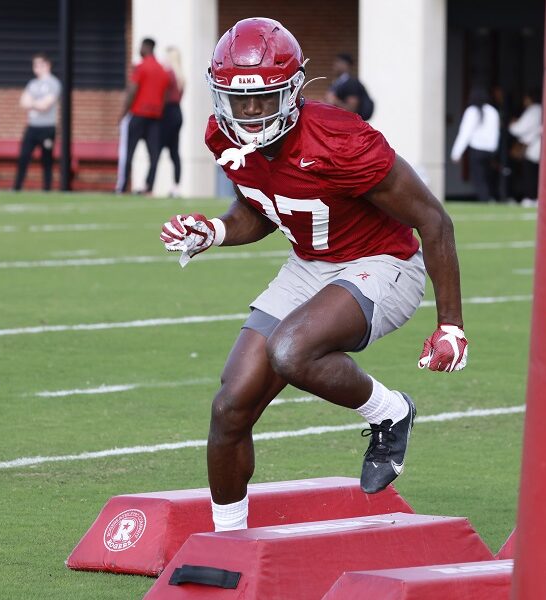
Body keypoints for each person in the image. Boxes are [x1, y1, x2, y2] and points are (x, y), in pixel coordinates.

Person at [158, 17, 468, 532]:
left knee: (289, 349)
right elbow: (262, 208)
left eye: (265, 97)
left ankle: (389, 411)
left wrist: (451, 325)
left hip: (382, 262)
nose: (252, 110)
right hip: (309, 264)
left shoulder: (342, 140)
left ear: (295, 90)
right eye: (239, 99)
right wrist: (214, 229)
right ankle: (228, 544)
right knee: (230, 407)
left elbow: (433, 219)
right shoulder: (222, 134)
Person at [116, 37, 170, 194]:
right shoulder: (162, 70)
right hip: (155, 118)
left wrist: (123, 113)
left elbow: (132, 90)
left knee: (129, 152)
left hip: (138, 114)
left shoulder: (140, 67)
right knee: (154, 155)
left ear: (146, 47)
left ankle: (123, 186)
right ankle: (149, 187)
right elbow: (165, 96)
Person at [13, 53, 61, 191]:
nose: (36, 68)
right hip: (32, 127)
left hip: (47, 128)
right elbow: (23, 102)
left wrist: (32, 103)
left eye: (39, 64)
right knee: (23, 157)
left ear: (47, 65)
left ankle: (47, 189)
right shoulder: (32, 84)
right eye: (35, 65)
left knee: (46, 161)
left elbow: (45, 105)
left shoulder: (53, 83)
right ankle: (16, 188)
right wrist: (36, 103)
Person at [450, 86, 500, 202]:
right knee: (488, 176)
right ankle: (490, 198)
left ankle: (485, 199)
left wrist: (456, 153)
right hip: (490, 150)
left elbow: (465, 133)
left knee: (479, 177)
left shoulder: (472, 111)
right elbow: (496, 133)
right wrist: (494, 149)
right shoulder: (493, 111)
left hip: (477, 149)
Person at [508, 88, 542, 206]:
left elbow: (519, 129)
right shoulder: (544, 109)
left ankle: (530, 198)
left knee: (530, 174)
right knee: (539, 175)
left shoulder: (533, 110)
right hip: (542, 147)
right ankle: (537, 197)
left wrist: (512, 125)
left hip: (533, 149)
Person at [161, 46, 185, 197]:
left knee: (156, 149)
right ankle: (176, 186)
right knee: (174, 152)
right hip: (177, 112)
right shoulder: (181, 76)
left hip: (168, 113)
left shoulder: (169, 74)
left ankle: (148, 185)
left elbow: (163, 95)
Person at [324, 53, 374, 121]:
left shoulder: (351, 83)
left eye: (338, 62)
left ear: (345, 64)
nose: (334, 65)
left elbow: (352, 110)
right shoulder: (337, 83)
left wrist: (335, 101)